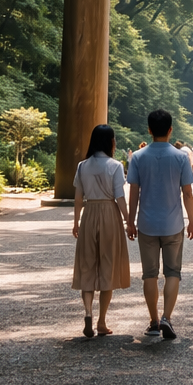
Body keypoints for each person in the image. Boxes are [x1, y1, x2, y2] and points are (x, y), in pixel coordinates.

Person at [127, 109, 193, 339]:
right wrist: (192, 221)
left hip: (146, 223)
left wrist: (130, 220)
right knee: (172, 272)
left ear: (149, 130)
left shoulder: (138, 157)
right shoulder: (180, 157)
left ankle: (154, 321)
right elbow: (187, 192)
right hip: (173, 223)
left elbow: (134, 192)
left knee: (149, 274)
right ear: (170, 130)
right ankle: (167, 317)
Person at [71, 124, 132, 337]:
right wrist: (128, 221)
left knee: (87, 264)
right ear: (110, 142)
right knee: (108, 264)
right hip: (109, 214)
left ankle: (87, 312)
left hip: (89, 213)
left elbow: (79, 198)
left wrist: (76, 222)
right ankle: (102, 321)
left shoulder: (82, 166)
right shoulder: (115, 166)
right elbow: (120, 197)